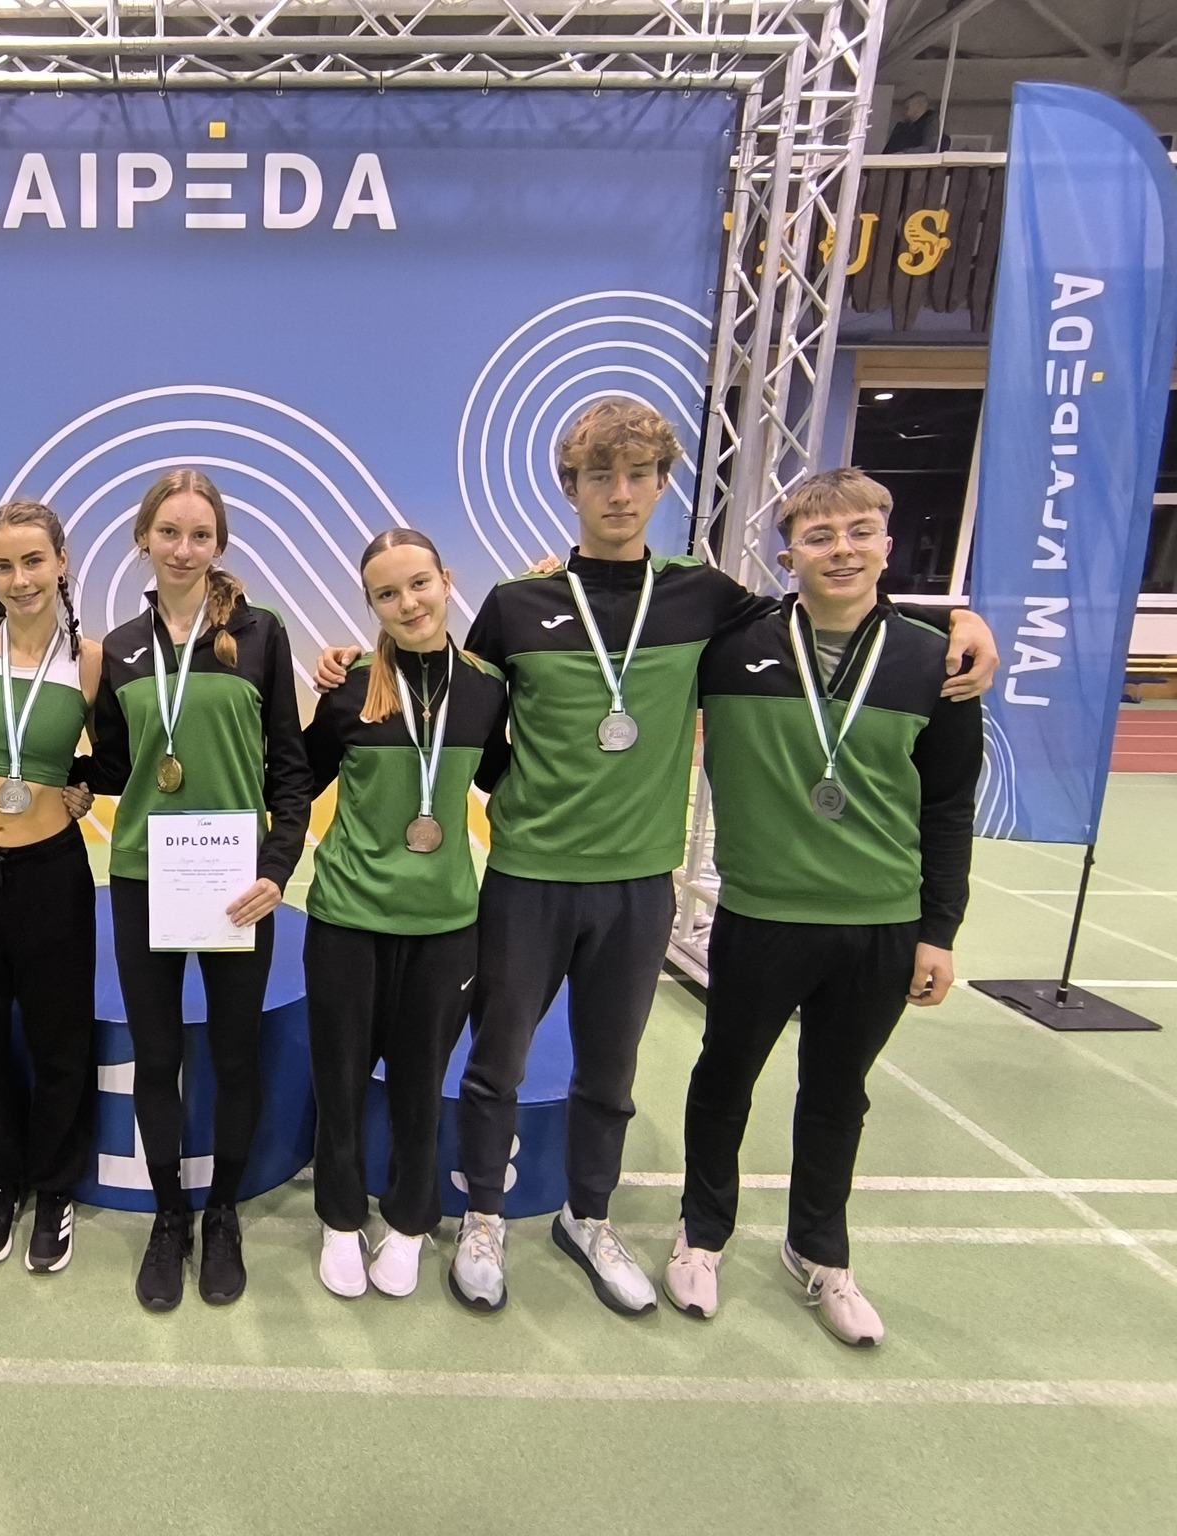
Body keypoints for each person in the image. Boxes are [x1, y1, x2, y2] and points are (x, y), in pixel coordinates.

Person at [313, 398, 995, 1320]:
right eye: (600, 476)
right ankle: (482, 1217)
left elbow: (834, 606)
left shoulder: (704, 599)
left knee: (610, 1074)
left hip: (639, 887)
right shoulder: (516, 606)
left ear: (665, 483)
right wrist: (351, 662)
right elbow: (451, 697)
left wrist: (960, 622)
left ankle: (588, 1218)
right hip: (527, 879)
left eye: (639, 475)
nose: (620, 493)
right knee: (495, 1065)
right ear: (572, 488)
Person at [666, 469, 979, 1346]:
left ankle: (819, 1249)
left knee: (839, 1094)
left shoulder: (937, 661)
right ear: (787, 556)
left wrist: (939, 930)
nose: (842, 550)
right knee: (725, 1079)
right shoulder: (731, 644)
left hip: (880, 924)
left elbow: (948, 806)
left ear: (887, 543)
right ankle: (703, 1232)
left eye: (859, 532)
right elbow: (639, 609)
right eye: (819, 535)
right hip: (762, 914)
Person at [75, 468, 311, 1311]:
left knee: (236, 1055)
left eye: (200, 535)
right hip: (145, 878)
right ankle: (170, 1215)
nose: (183, 549)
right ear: (144, 538)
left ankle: (223, 1214)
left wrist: (276, 869)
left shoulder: (260, 633)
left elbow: (291, 767)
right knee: (159, 1056)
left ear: (220, 543)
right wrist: (64, 781)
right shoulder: (119, 647)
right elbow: (112, 765)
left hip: (235, 882)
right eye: (169, 533)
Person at [301, 530, 508, 1300]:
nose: (408, 603)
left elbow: (506, 776)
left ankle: (412, 1223)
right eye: (387, 593)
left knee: (422, 1087)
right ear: (371, 605)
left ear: (446, 581)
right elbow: (293, 779)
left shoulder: (487, 688)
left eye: (419, 583)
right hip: (347, 920)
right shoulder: (349, 686)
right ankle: (340, 1219)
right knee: (341, 1082)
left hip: (444, 928)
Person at [0, 501, 104, 1274]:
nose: (20, 579)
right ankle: (1, 1179)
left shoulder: (91, 659)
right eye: (3, 565)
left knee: (59, 1037)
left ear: (61, 563)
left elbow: (115, 755)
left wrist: (82, 784)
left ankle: (55, 1186)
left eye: (34, 561)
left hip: (50, 871)